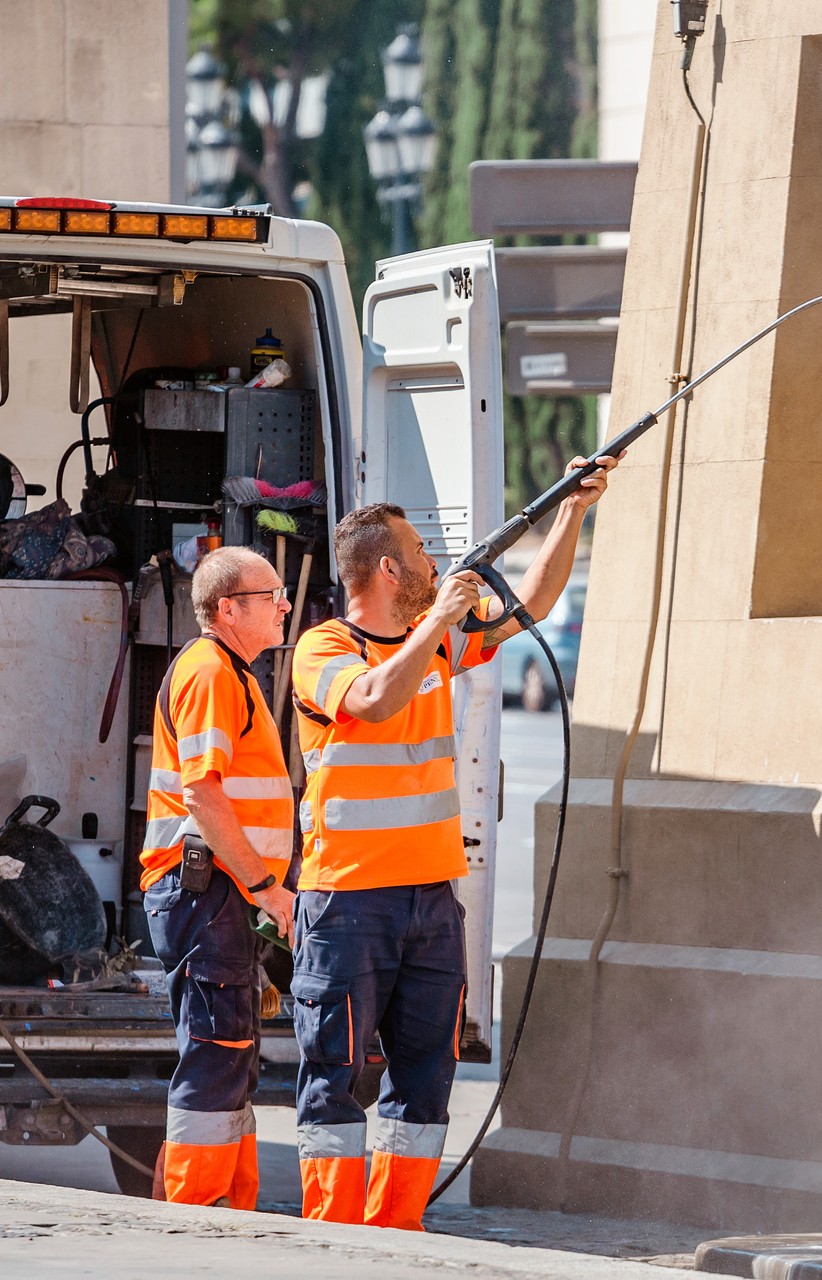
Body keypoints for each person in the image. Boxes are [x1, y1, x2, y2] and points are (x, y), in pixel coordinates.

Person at [289, 454, 615, 1230]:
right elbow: (371, 702)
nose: (438, 566)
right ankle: (329, 1238)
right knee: (334, 1076)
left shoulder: (436, 643)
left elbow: (530, 603)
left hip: (432, 901)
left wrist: (573, 508)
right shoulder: (327, 650)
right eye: (424, 556)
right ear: (390, 570)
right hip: (347, 904)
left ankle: (396, 1228)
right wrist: (436, 621)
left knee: (426, 1079)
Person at [139, 546, 297, 1207]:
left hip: (218, 893)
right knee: (217, 1047)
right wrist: (266, 887)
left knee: (229, 1050)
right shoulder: (210, 673)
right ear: (229, 609)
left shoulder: (229, 672)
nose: (286, 605)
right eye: (272, 595)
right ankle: (192, 1221)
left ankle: (225, 1210)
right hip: (209, 892)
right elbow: (204, 797)